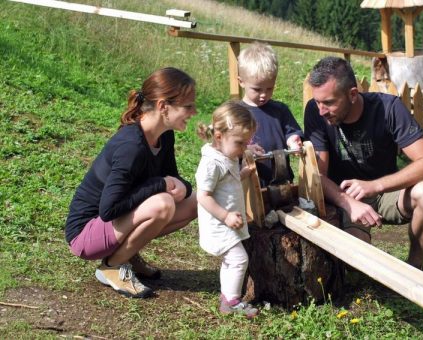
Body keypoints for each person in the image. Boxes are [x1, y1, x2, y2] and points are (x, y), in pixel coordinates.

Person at [65, 67, 198, 298]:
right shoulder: (132, 146)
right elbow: (108, 210)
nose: (194, 112)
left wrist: (182, 187)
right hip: (85, 234)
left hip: (115, 224)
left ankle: (128, 252)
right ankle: (113, 266)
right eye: (188, 106)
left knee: (197, 201)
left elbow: (173, 179)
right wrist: (162, 185)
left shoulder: (164, 135)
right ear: (163, 106)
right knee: (162, 204)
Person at [303, 57, 423, 269]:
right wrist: (348, 203)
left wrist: (375, 186)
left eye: (329, 103)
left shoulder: (388, 108)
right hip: (345, 198)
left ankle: (415, 266)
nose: (321, 110)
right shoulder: (316, 112)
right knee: (357, 265)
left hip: (387, 193)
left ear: (352, 94)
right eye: (318, 102)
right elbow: (316, 176)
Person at [196, 101, 259, 318]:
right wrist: (225, 215)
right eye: (241, 143)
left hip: (227, 222)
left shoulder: (227, 155)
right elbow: (203, 196)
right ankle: (232, 301)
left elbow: (226, 184)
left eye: (247, 143)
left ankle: (226, 297)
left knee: (231, 260)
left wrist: (242, 175)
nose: (244, 149)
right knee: (239, 259)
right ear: (219, 137)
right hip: (219, 223)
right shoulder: (211, 163)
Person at [237, 42, 303, 185]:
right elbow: (222, 144)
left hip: (282, 179)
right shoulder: (234, 112)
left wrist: (293, 140)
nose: (263, 95)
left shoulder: (280, 110)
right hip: (248, 182)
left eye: (269, 88)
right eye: (257, 89)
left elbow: (292, 132)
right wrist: (244, 149)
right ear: (241, 82)